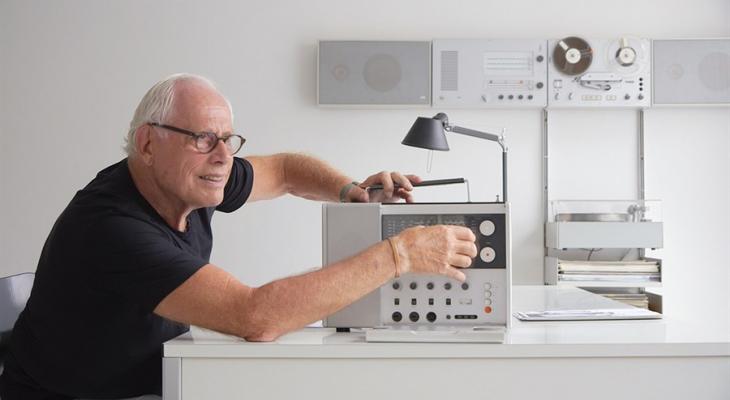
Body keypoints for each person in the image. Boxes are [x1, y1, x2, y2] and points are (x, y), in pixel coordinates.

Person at [0, 74, 478, 400]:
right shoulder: (111, 227)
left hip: (156, 376)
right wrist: (400, 253)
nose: (223, 156)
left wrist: (352, 191)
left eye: (228, 139)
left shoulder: (194, 178)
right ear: (148, 143)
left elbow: (288, 171)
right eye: (203, 138)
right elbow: (256, 317)